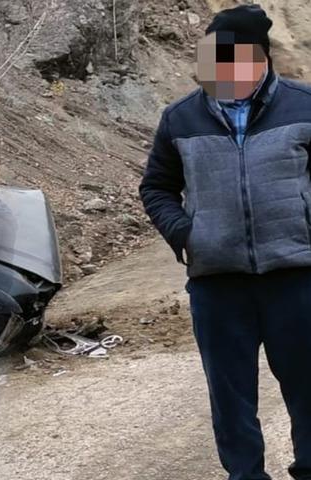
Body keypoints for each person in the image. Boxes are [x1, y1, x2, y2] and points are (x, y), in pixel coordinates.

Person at [139, 5, 311, 479]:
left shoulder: (304, 105)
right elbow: (156, 186)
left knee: (308, 389)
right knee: (231, 397)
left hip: (296, 277)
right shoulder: (180, 117)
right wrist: (185, 232)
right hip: (218, 285)